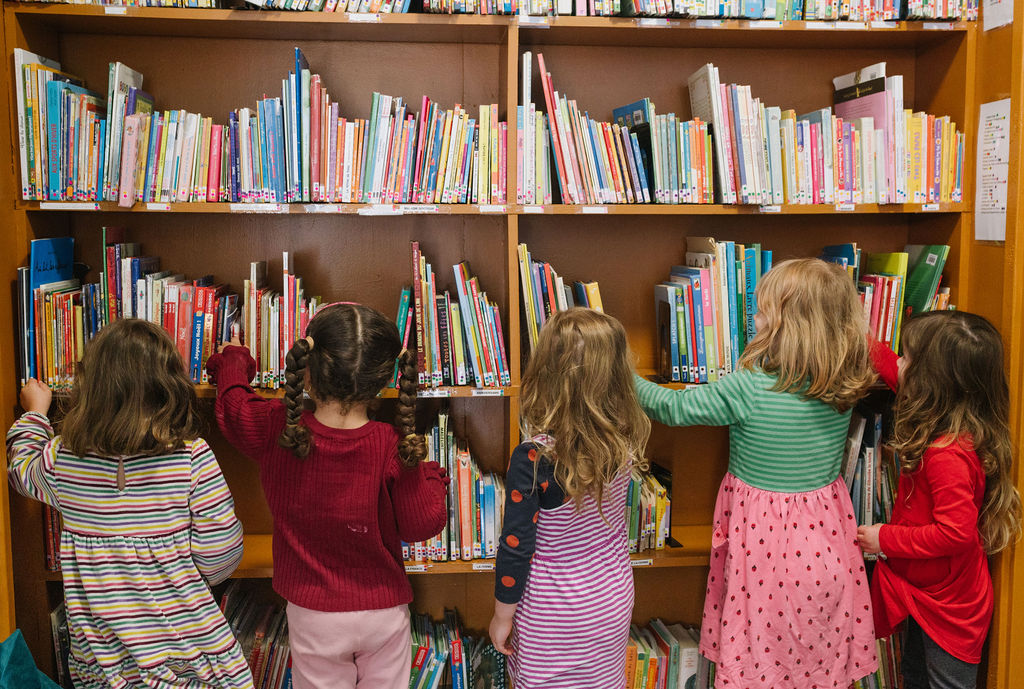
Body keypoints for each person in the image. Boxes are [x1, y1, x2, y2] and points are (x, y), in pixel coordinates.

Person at [634, 257, 879, 688]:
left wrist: (621, 374)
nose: (755, 317)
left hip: (767, 558)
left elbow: (673, 408)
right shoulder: (848, 381)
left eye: (764, 310)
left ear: (789, 326)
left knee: (761, 663)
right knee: (814, 665)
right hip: (827, 553)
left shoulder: (748, 386)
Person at [206, 302, 447, 689]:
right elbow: (422, 523)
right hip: (381, 611)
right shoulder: (392, 445)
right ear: (384, 380)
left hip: (313, 612)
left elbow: (234, 408)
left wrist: (234, 359)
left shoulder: (276, 429)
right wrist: (432, 478)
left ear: (309, 372)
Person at [5, 318, 253, 689]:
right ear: (170, 387)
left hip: (106, 667)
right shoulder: (191, 458)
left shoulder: (64, 461)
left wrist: (36, 413)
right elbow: (219, 558)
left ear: (91, 388)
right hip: (192, 657)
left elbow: (21, 469)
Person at [857, 311, 1022, 689]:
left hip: (951, 607)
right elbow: (892, 369)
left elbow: (955, 534)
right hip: (921, 588)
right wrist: (858, 331)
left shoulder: (947, 454)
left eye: (909, 357)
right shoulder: (941, 411)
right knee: (914, 675)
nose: (900, 363)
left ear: (932, 382)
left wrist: (885, 538)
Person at [488, 308, 651, 689]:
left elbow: (516, 547)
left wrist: (502, 617)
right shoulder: (622, 442)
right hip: (612, 599)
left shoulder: (533, 458)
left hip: (553, 612)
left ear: (547, 373)